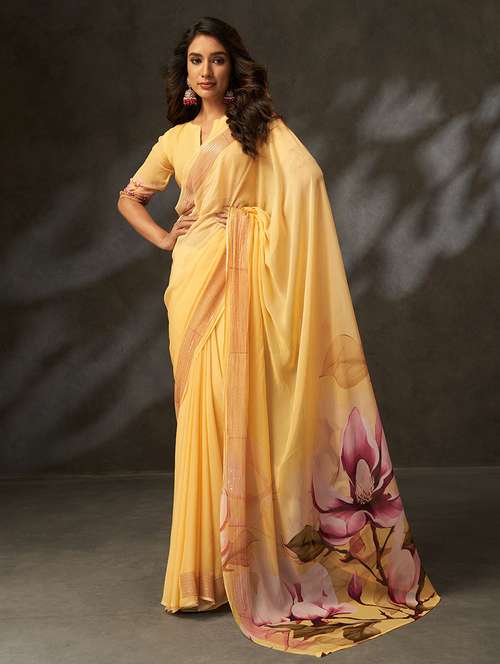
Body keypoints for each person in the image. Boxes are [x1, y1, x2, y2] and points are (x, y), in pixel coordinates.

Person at [117, 16, 441, 658]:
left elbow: (307, 182)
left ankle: (251, 562)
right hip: (194, 284)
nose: (206, 71)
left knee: (237, 414)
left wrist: (247, 228)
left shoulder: (257, 128)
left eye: (216, 59)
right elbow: (131, 198)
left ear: (232, 66)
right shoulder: (174, 141)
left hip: (243, 286)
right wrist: (165, 239)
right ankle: (202, 575)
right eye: (195, 61)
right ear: (184, 72)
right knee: (200, 421)